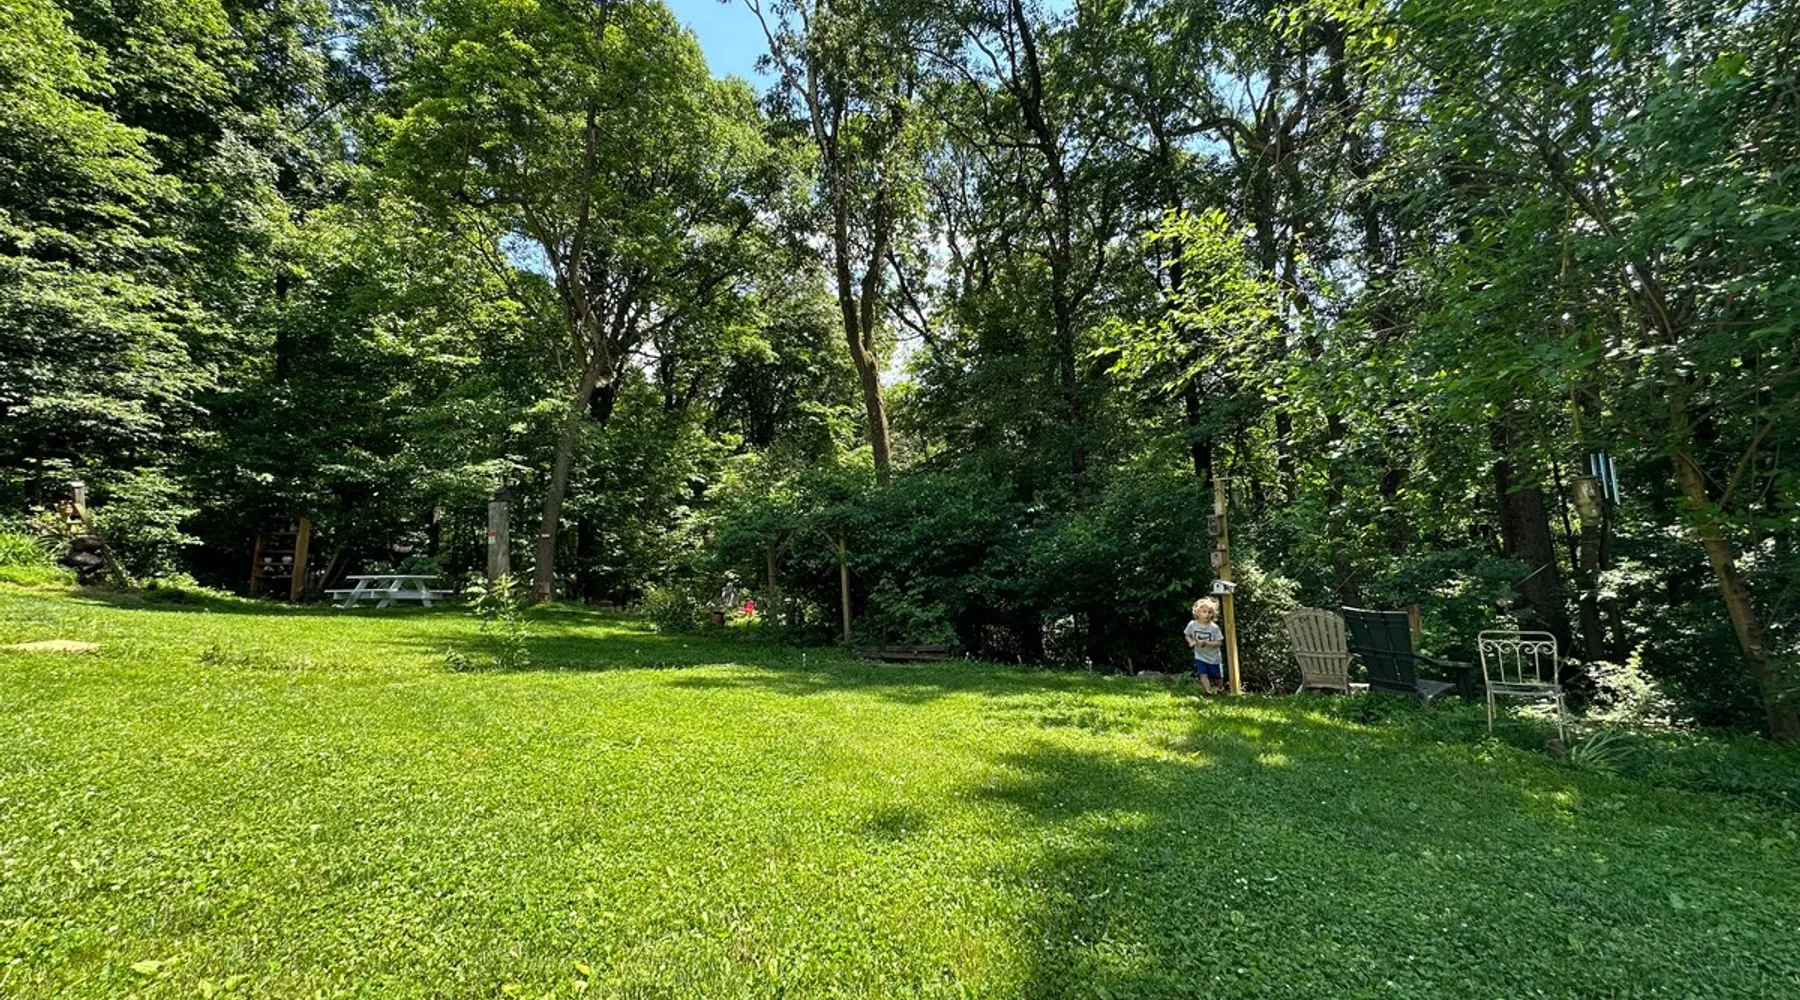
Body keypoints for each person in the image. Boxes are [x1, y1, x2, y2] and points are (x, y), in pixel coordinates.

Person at [1184, 596, 1226, 694]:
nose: (1207, 614)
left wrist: (1206, 643)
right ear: (1197, 612)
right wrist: (1190, 641)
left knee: (1217, 676)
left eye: (1210, 612)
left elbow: (1219, 642)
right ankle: (1208, 691)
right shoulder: (1192, 625)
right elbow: (1187, 635)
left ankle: (1221, 689)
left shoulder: (1214, 628)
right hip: (1200, 656)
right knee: (1203, 674)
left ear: (1213, 613)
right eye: (1204, 612)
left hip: (1213, 657)